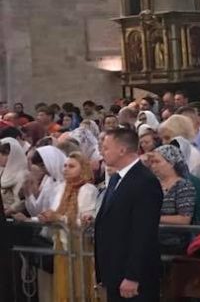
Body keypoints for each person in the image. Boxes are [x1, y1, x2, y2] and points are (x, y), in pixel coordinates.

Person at [95, 127, 163, 301]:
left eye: (106, 147)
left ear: (122, 150)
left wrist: (133, 276)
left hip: (133, 277)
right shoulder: (116, 179)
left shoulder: (145, 181)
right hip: (113, 271)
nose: (101, 152)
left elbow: (144, 233)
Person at [42, 152, 97, 302]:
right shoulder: (60, 188)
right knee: (64, 283)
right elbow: (55, 212)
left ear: (83, 169)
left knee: (80, 282)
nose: (66, 169)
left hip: (81, 244)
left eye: (71, 166)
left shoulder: (88, 189)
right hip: (61, 242)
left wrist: (58, 218)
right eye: (65, 166)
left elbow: (86, 221)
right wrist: (45, 217)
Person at [148, 145, 195, 254]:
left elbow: (184, 219)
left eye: (157, 162)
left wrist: (154, 218)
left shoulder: (184, 186)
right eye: (152, 162)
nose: (153, 166)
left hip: (174, 242)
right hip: (151, 239)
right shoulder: (152, 184)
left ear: (171, 163)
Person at [0, 136, 28, 212]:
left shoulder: (22, 175)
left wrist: (9, 210)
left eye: (3, 154)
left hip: (10, 216)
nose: (0, 157)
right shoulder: (2, 170)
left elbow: (21, 202)